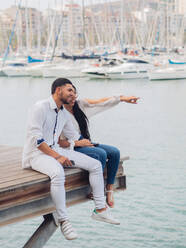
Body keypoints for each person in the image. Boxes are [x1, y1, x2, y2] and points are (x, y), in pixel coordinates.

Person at [22, 78, 120, 241]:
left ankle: (100, 210)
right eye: (70, 90)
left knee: (95, 165)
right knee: (58, 173)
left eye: (74, 91)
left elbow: (74, 137)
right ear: (58, 90)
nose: (73, 94)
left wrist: (92, 146)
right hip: (36, 154)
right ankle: (64, 220)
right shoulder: (40, 107)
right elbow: (36, 140)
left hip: (57, 150)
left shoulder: (63, 114)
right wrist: (58, 157)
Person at [59, 85, 139, 208]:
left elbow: (101, 102)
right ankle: (96, 191)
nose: (73, 96)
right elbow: (58, 142)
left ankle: (109, 189)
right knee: (100, 153)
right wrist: (77, 143)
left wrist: (122, 98)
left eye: (75, 93)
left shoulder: (81, 105)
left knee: (114, 152)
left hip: (85, 143)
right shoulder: (59, 114)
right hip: (71, 147)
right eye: (70, 93)